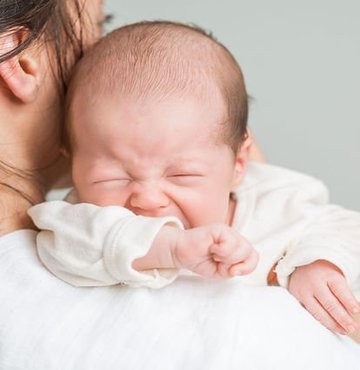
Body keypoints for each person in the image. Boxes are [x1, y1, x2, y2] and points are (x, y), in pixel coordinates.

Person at [0, 2, 359, 368]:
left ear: (238, 163)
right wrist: (168, 247)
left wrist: (318, 262)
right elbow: (67, 245)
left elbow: (341, 225)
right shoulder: (74, 220)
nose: (148, 199)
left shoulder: (271, 195)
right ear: (74, 159)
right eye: (114, 177)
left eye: (182, 175)